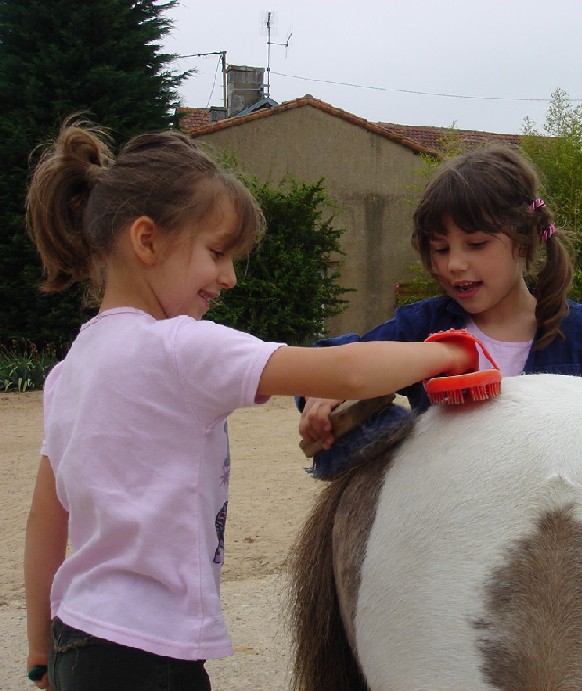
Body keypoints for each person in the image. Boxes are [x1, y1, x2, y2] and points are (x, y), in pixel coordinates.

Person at [22, 118, 476, 691]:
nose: (229, 277)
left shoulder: (70, 370)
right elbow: (347, 370)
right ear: (146, 240)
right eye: (216, 253)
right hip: (147, 653)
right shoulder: (180, 349)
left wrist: (39, 644)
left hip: (77, 639)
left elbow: (46, 519)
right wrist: (447, 356)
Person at [299, 144, 582, 450]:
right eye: (440, 249)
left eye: (476, 244)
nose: (455, 264)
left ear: (525, 240)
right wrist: (327, 391)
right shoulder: (423, 327)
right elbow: (331, 361)